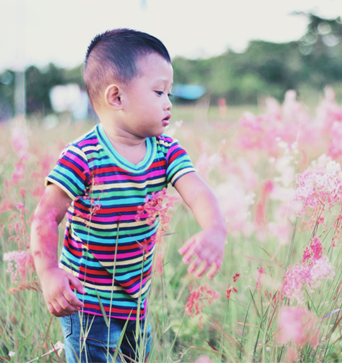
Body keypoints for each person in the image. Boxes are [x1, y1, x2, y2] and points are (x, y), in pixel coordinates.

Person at [30, 28, 227, 363]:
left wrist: (214, 229)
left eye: (169, 93)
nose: (168, 103)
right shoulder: (84, 156)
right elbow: (46, 216)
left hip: (136, 301)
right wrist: (49, 272)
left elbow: (197, 190)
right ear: (117, 98)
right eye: (158, 92)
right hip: (87, 306)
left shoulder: (166, 151)